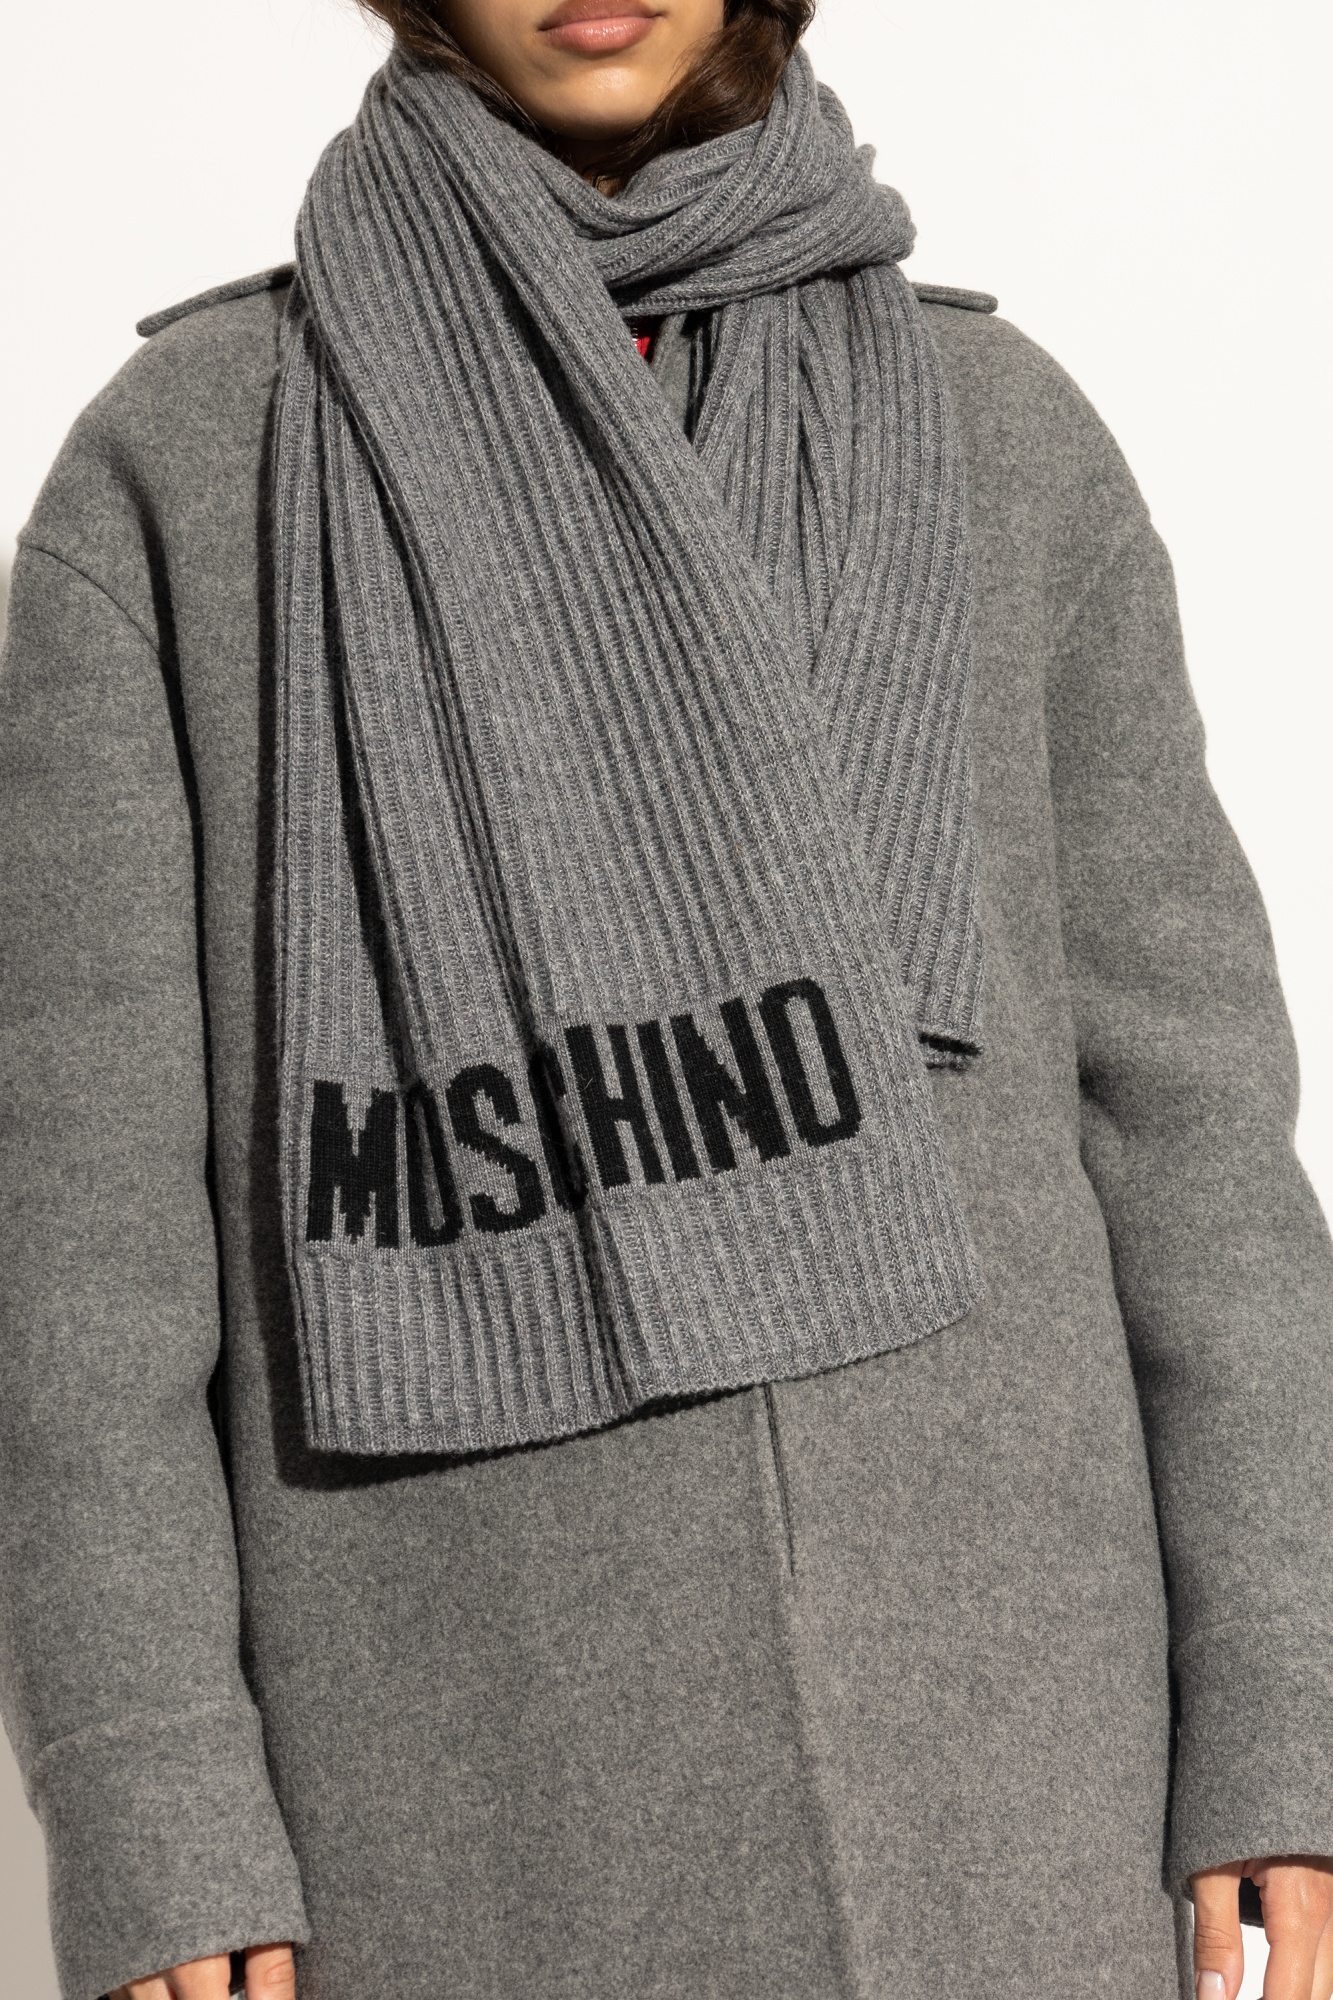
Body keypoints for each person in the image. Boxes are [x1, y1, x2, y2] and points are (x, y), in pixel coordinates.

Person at [0, 2, 1330, 1997]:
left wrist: (1286, 1708)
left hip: (1014, 1755)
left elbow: (1195, 1143)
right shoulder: (193, 463)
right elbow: (84, 1249)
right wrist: (151, 1801)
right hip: (459, 1767)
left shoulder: (996, 431)